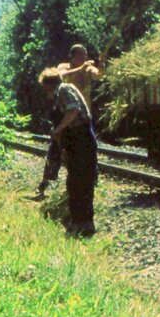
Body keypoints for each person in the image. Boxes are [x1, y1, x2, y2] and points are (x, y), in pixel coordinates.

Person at [37, 67, 98, 237]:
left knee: (82, 182)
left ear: (48, 85)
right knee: (74, 183)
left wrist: (59, 129)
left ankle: (85, 224)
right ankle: (78, 222)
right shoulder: (58, 96)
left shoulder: (64, 89)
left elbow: (74, 109)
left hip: (82, 139)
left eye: (45, 88)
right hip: (73, 142)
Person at [57, 44, 102, 113]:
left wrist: (101, 66)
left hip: (84, 113)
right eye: (80, 54)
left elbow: (99, 76)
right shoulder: (63, 66)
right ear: (71, 55)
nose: (83, 57)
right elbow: (62, 75)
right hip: (67, 111)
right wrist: (81, 68)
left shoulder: (89, 68)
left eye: (85, 54)